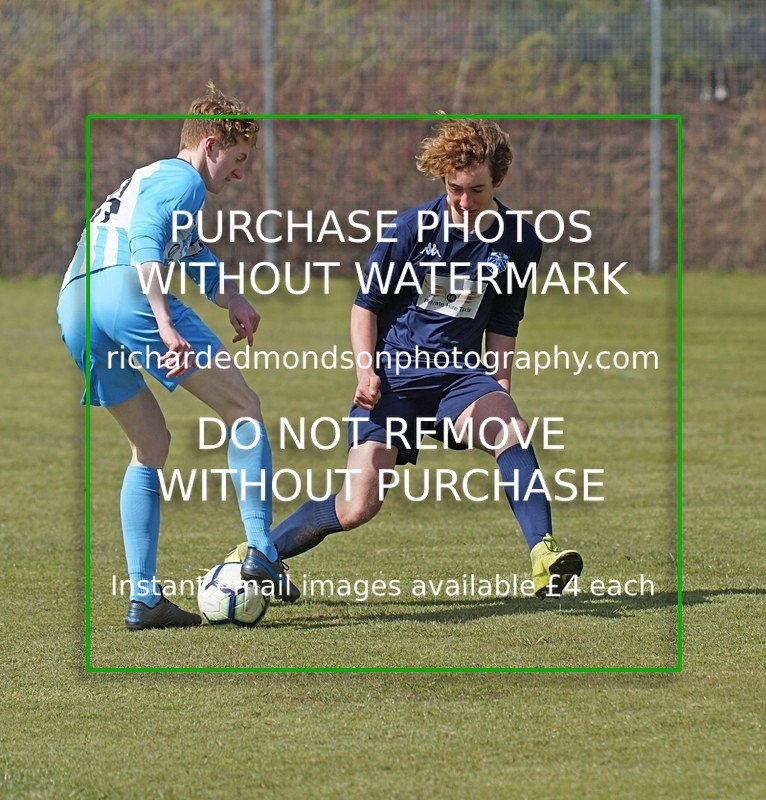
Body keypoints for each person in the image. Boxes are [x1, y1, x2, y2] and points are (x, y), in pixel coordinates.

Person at [227, 118, 583, 600]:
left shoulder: (520, 241)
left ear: (499, 181)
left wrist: (500, 384)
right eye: (454, 189)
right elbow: (364, 307)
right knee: (357, 506)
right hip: (395, 378)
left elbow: (505, 318)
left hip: (459, 379)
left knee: (511, 431)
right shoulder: (413, 229)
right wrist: (366, 369)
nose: (463, 201)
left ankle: (544, 555)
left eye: (476, 189)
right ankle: (259, 555)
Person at [58, 82, 299, 631]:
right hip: (129, 295)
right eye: (238, 160)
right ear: (210, 145)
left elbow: (184, 246)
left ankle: (143, 598)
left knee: (150, 445)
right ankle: (263, 549)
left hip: (76, 305)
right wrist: (164, 321)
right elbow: (146, 240)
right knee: (243, 407)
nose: (240, 174)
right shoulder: (184, 180)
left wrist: (231, 296)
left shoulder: (151, 177)